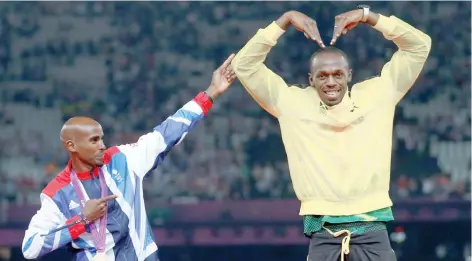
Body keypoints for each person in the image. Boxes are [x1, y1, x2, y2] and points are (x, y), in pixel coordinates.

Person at [231, 5, 431, 261]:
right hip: (323, 232)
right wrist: (284, 21)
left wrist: (368, 16)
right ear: (311, 79)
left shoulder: (378, 95)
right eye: (322, 76)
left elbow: (419, 46)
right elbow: (244, 65)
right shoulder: (291, 102)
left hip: (372, 227)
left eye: (337, 74)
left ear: (349, 75)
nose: (331, 82)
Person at [21, 54, 237, 261]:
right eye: (94, 141)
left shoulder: (122, 159)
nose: (102, 145)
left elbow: (166, 133)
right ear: (72, 146)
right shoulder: (56, 193)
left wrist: (211, 93)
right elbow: (30, 247)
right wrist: (82, 220)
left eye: (102, 138)